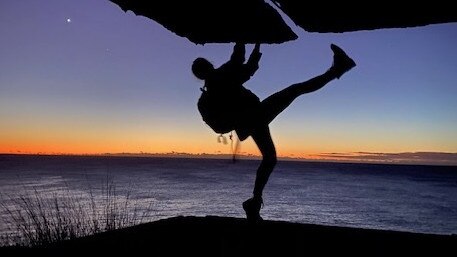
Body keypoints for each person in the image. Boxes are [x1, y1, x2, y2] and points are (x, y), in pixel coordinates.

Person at [192, 43, 356, 222]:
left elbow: (243, 66)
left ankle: (254, 202)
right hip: (257, 114)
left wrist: (254, 45)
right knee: (296, 89)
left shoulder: (209, 94)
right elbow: (240, 61)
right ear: (208, 66)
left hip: (253, 120)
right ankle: (337, 69)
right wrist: (247, 40)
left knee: (270, 157)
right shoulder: (220, 79)